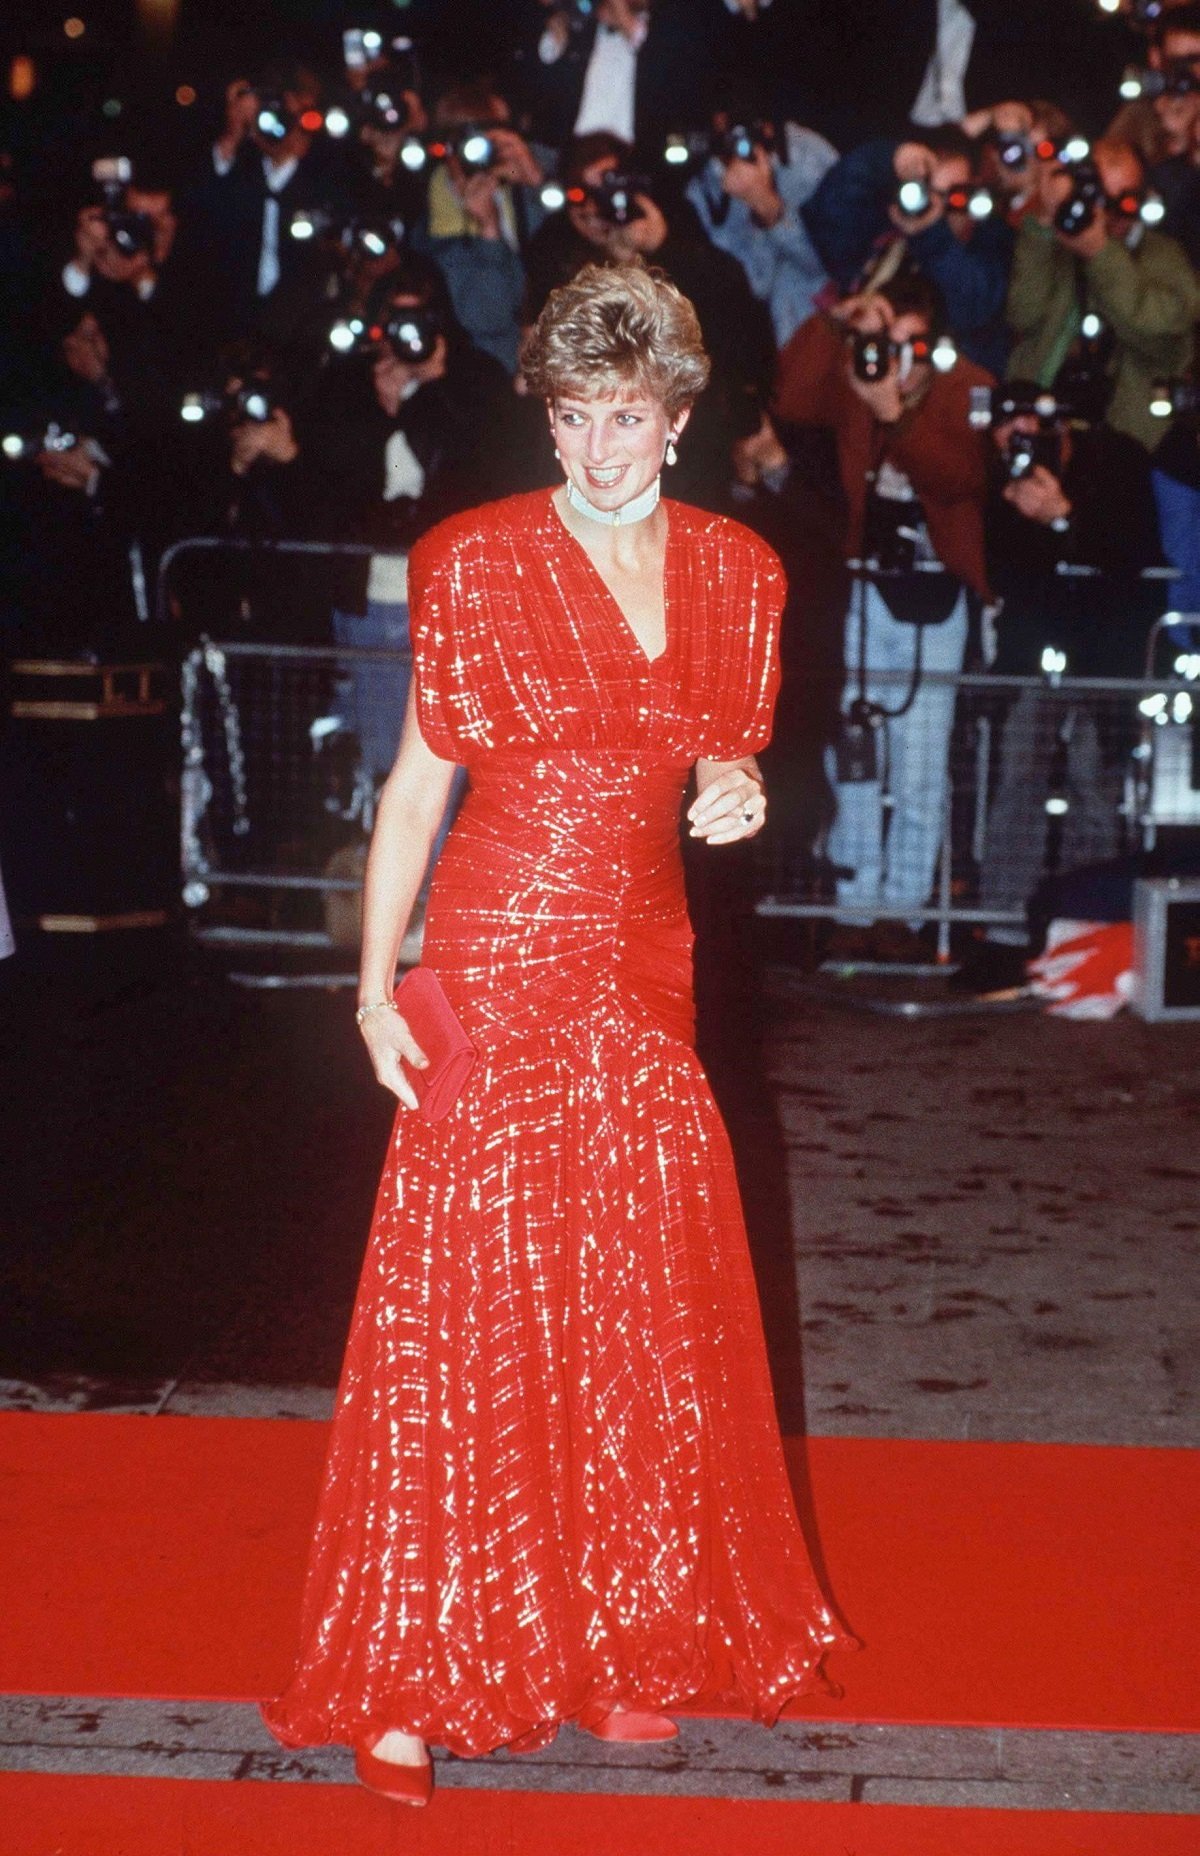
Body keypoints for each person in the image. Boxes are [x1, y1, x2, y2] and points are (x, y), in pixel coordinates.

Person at [260, 261, 851, 1799]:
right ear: (551, 411)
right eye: (576, 415)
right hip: (498, 953)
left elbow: (723, 754)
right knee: (456, 1302)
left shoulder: (740, 571)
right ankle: (407, 1669)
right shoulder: (469, 561)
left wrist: (739, 789)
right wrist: (372, 982)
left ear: (680, 416)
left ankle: (619, 1637)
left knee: (635, 1296)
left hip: (646, 968)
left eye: (630, 416)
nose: (600, 449)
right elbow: (412, 791)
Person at [770, 275, 994, 961]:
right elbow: (789, 396)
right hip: (866, 587)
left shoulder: (969, 388)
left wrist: (895, 412)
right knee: (857, 752)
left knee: (922, 760)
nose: (900, 354)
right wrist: (838, 324)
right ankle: (855, 900)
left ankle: (902, 905)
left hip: (938, 592)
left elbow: (961, 477)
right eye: (890, 339)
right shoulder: (859, 376)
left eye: (913, 342)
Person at [1005, 135, 1200, 452]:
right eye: (1099, 196)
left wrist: (1100, 253)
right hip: (1041, 419)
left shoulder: (1166, 257)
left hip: (1121, 441)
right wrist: (1042, 225)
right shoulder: (1058, 245)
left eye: (1124, 199)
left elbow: (1160, 333)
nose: (1111, 213)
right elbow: (1023, 315)